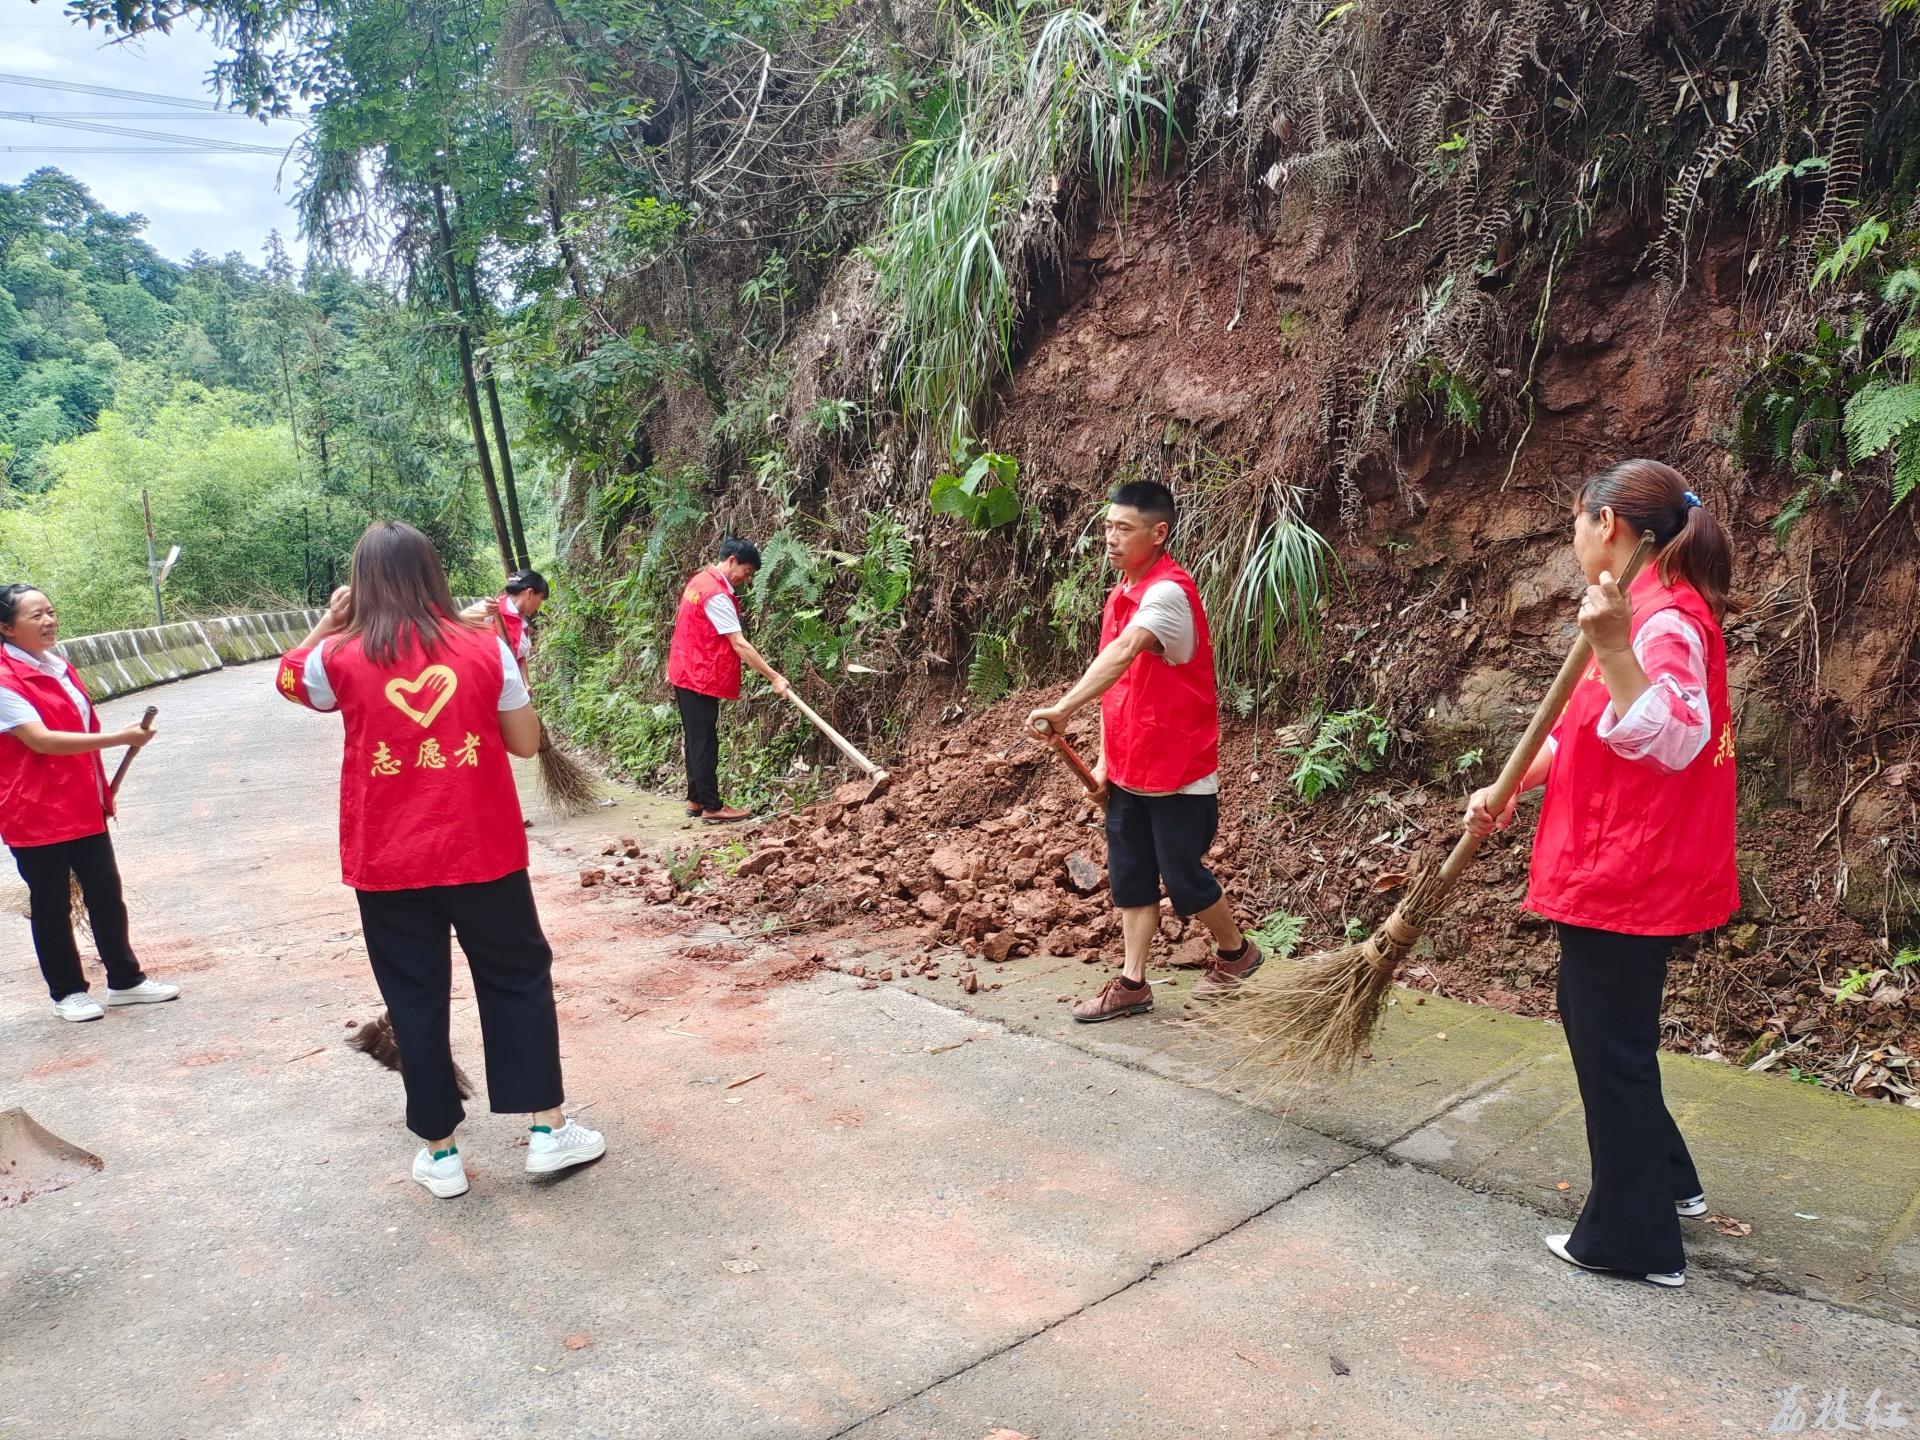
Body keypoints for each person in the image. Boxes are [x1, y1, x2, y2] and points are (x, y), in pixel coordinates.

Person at [1467, 458, 1738, 1290]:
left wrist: (1617, 648)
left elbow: (1676, 739)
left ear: (1611, 527)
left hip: (1629, 869)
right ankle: (1670, 1179)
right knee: (1602, 1030)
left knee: (1607, 1044)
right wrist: (1509, 784)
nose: (1575, 540)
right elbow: (1587, 728)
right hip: (1617, 856)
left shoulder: (1660, 624)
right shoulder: (1635, 610)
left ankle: (1633, 1240)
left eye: (1578, 524)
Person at [275, 523, 604, 1199]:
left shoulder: (336, 654)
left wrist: (327, 623)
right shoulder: (485, 646)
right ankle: (546, 1132)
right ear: (435, 575)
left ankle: (441, 1152)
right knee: (515, 978)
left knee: (414, 997)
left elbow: (290, 683)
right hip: (481, 849)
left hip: (387, 859)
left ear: (359, 583)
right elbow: (522, 744)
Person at [1026, 480, 1261, 1022]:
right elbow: (1119, 691)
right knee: (1131, 874)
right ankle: (1133, 983)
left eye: (1123, 528)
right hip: (1131, 768)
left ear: (1159, 533)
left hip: (1178, 771)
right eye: (1107, 526)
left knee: (1183, 878)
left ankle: (1237, 953)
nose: (1109, 538)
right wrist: (1107, 763)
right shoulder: (1119, 596)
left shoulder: (1168, 594)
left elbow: (1126, 653)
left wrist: (1062, 709)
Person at [0, 583, 178, 1022]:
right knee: (52, 900)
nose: (48, 621)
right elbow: (40, 741)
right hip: (35, 808)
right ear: (5, 628)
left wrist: (102, 787)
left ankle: (125, 980)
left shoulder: (57, 666)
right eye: (35, 616)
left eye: (51, 611)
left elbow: (78, 731)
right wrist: (123, 736)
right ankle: (67, 991)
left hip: (81, 802)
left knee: (105, 892)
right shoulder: (4, 680)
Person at [667, 538, 790, 823]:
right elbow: (740, 644)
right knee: (705, 741)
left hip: (684, 669)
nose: (746, 579)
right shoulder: (717, 595)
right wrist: (774, 677)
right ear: (732, 560)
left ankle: (696, 800)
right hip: (698, 675)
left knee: (696, 738)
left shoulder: (699, 581)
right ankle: (712, 807)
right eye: (746, 571)